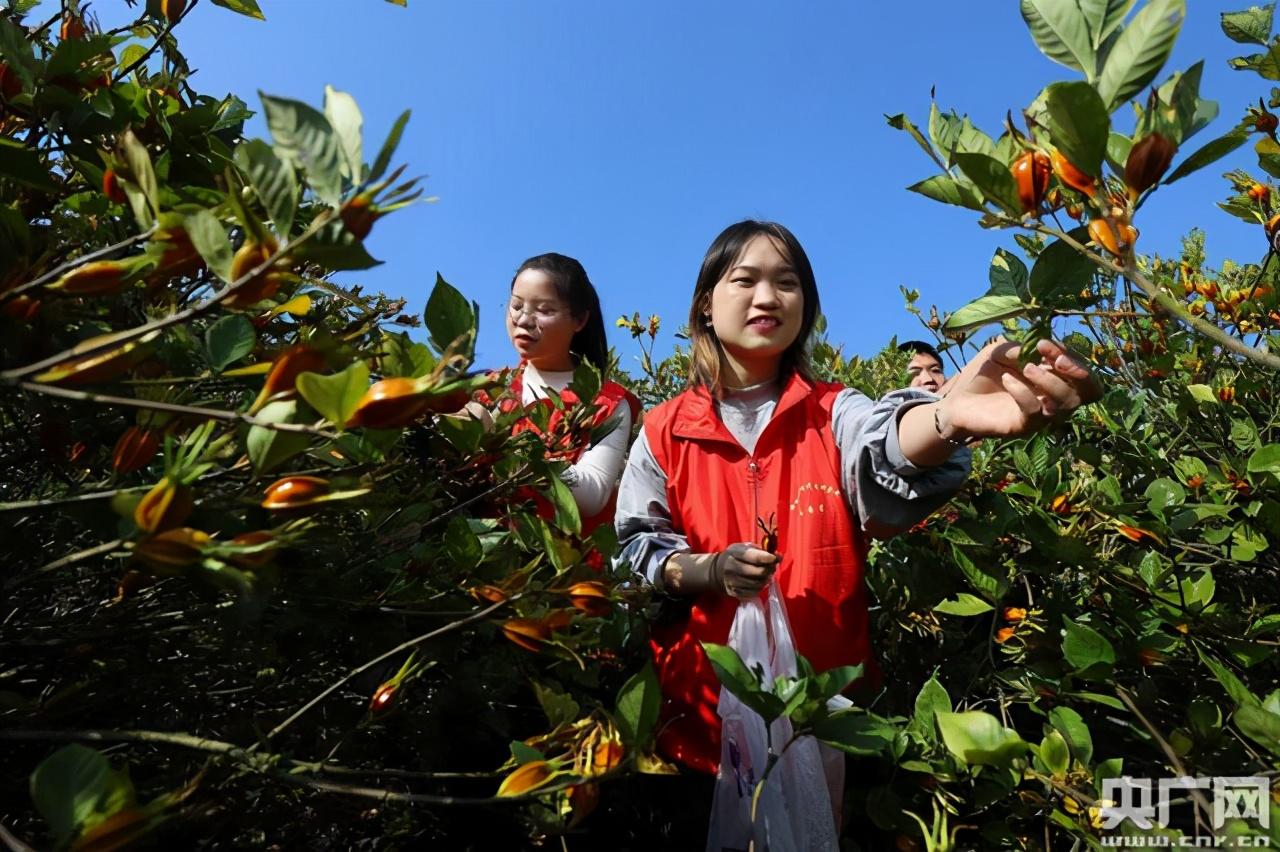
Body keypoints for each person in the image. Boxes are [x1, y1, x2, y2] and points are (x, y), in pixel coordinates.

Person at [614, 220, 1100, 783]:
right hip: (695, 725)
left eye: (787, 283)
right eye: (744, 280)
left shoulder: (833, 412)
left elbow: (886, 449)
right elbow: (635, 547)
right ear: (705, 306)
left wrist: (946, 419)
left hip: (825, 726)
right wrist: (705, 570)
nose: (767, 297)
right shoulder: (664, 430)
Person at [473, 253, 640, 534]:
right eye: (516, 306)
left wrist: (506, 449)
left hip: (565, 569)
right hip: (477, 565)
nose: (523, 320)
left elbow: (592, 493)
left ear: (579, 319)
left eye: (545, 310)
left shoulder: (607, 403)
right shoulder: (489, 389)